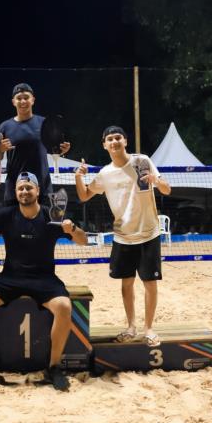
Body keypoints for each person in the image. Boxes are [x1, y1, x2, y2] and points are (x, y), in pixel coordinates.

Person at [0, 171, 87, 390]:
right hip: (11, 277)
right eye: (20, 188)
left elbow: (83, 241)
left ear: (38, 191)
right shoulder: (6, 214)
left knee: (64, 306)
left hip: (44, 278)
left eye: (29, 187)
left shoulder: (53, 215)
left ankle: (54, 367)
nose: (24, 191)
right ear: (15, 192)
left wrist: (73, 229)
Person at [75, 126, 171, 347]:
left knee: (150, 283)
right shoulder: (105, 173)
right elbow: (84, 195)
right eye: (110, 139)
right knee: (126, 284)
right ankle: (131, 327)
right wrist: (79, 177)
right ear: (104, 145)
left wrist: (156, 181)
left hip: (148, 233)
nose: (114, 141)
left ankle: (149, 329)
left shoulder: (142, 161)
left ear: (125, 141)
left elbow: (167, 190)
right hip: (123, 236)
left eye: (118, 137)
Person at [0, 83, 70, 205]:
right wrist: (0, 149)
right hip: (15, 190)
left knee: (44, 218)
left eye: (26, 97)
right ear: (13, 102)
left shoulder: (44, 123)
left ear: (33, 100)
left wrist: (62, 150)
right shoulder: (5, 126)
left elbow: (54, 149)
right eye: (19, 98)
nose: (23, 101)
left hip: (42, 189)